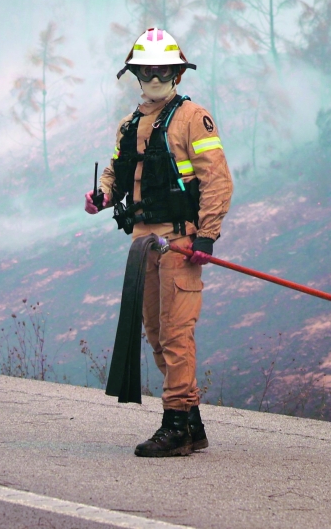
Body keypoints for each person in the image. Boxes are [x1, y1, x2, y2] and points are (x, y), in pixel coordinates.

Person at [85, 28, 233, 457]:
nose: (153, 75)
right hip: (143, 246)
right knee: (154, 334)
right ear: (135, 73)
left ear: (176, 73)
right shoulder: (129, 124)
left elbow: (217, 180)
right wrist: (104, 195)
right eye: (146, 68)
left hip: (180, 242)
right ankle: (192, 422)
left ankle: (175, 426)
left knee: (175, 334)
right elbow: (117, 171)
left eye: (161, 68)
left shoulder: (193, 118)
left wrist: (206, 235)